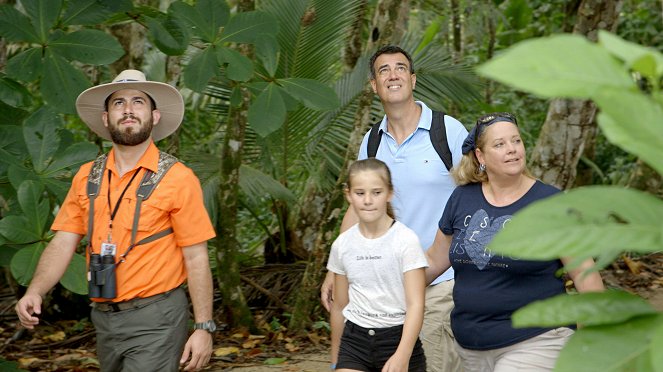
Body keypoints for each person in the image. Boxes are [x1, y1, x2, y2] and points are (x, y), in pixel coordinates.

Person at [15, 70, 217, 371]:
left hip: (157, 316)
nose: (128, 110)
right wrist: (35, 291)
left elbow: (196, 256)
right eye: (118, 103)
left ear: (155, 116)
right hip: (103, 315)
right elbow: (63, 240)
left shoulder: (178, 179)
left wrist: (203, 327)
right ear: (107, 118)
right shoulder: (87, 176)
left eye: (138, 102)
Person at [321, 45, 467, 371]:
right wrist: (335, 270)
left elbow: (478, 196)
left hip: (440, 284)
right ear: (374, 85)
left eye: (400, 68)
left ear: (413, 80)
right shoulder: (372, 141)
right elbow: (359, 208)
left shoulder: (449, 132)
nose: (393, 74)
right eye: (383, 70)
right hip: (384, 291)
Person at [425, 112, 605, 371]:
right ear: (480, 156)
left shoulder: (551, 203)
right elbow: (433, 260)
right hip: (469, 347)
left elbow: (586, 277)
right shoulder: (462, 199)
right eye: (499, 144)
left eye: (516, 141)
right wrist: (383, 291)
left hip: (538, 340)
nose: (511, 150)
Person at [328, 158, 427, 372]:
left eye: (376, 192)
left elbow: (416, 305)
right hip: (355, 341)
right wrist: (336, 360)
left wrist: (402, 354)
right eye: (360, 193)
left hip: (397, 338)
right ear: (348, 195)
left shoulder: (406, 240)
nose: (368, 200)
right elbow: (339, 306)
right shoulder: (342, 245)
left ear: (389, 193)